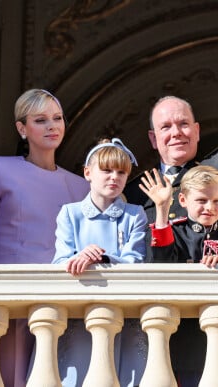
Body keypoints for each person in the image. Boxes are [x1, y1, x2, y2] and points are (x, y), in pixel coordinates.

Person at [123, 19, 218, 262]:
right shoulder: (133, 192)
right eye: (166, 127)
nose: (176, 132)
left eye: (184, 124)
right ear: (154, 139)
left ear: (197, 131)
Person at [0, 89, 89, 387]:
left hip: (64, 301)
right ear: (22, 129)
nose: (52, 126)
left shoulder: (82, 187)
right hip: (11, 300)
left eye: (57, 118)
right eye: (40, 120)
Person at [140, 165, 218, 387]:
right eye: (201, 201)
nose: (209, 207)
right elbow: (160, 271)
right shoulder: (174, 231)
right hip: (188, 341)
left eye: (217, 201)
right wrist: (161, 209)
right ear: (182, 200)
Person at [52, 138, 148, 387]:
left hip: (125, 317)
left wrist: (102, 258)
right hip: (80, 316)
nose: (114, 177)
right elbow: (60, 261)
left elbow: (135, 260)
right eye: (106, 170)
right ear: (88, 172)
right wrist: (78, 257)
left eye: (121, 172)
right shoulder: (70, 213)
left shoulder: (135, 214)